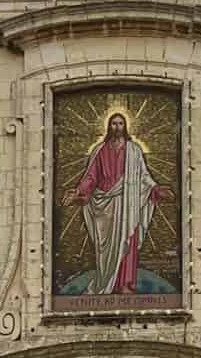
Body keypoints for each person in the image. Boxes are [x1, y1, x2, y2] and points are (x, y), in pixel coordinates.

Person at [66, 112, 166, 295]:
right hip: (105, 204)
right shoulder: (100, 150)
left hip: (128, 203)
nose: (117, 127)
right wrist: (78, 192)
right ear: (108, 127)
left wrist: (156, 190)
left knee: (128, 239)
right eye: (113, 124)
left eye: (120, 123)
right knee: (107, 249)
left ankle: (126, 284)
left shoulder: (134, 150)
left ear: (125, 126)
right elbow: (91, 177)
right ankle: (106, 281)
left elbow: (144, 176)